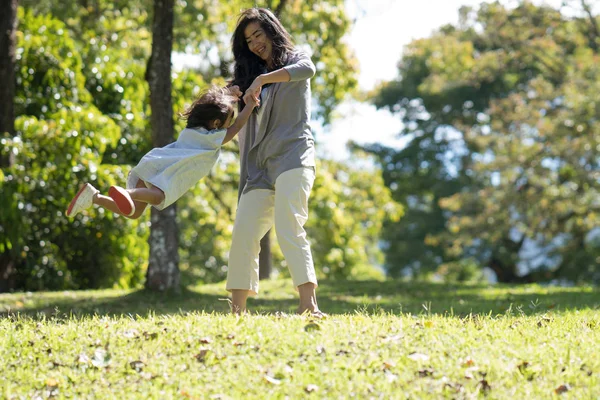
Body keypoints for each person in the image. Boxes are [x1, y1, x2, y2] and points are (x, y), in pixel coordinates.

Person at [226, 8, 325, 317]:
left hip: (293, 157)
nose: (255, 43)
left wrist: (263, 80)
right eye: (249, 40)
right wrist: (232, 96)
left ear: (272, 32)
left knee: (288, 225)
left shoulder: (296, 61)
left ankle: (308, 306)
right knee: (243, 231)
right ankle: (236, 311)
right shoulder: (245, 81)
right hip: (259, 168)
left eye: (258, 34)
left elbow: (307, 70)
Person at [66, 85, 258, 218]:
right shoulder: (212, 138)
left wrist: (228, 94)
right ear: (216, 124)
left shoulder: (194, 130)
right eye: (227, 121)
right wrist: (249, 105)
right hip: (166, 171)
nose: (229, 125)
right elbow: (237, 127)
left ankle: (94, 197)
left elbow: (213, 103)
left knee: (134, 213)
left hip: (156, 164)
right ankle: (128, 193)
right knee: (158, 197)